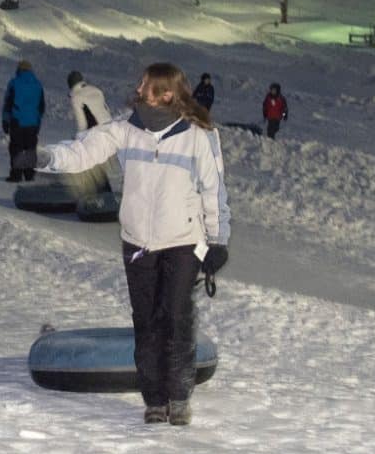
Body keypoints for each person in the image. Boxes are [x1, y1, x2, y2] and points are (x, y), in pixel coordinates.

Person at [37, 62, 230, 426]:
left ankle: (178, 395)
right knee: (147, 320)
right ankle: (154, 398)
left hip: (185, 241)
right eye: (141, 82)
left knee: (176, 317)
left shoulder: (198, 135)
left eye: (148, 85)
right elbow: (83, 151)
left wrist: (217, 241)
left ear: (168, 93)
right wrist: (44, 157)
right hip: (138, 241)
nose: (139, 88)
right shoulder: (125, 129)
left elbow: (214, 191)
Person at [1, 59, 45, 182]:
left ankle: (16, 175)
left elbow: (8, 104)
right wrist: (37, 121)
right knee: (30, 148)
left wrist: (5, 121)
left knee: (16, 148)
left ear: (19, 70)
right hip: (33, 123)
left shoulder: (14, 83)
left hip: (17, 121)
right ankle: (30, 174)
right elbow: (41, 106)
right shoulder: (37, 84)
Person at [67, 70, 112, 134]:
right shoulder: (96, 90)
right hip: (110, 127)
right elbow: (107, 109)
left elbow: (81, 122)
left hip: (96, 132)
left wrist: (80, 135)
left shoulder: (76, 97)